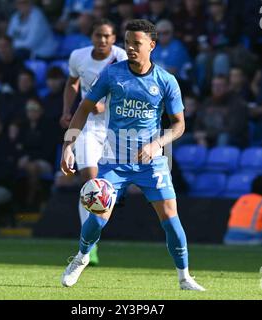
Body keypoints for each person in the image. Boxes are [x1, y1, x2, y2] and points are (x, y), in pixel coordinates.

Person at [60, 19, 205, 291]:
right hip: (114, 158)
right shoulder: (112, 74)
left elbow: (179, 125)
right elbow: (83, 108)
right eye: (127, 43)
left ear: (152, 45)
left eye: (136, 43)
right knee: (99, 216)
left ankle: (184, 276)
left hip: (152, 160)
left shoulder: (166, 81)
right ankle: (80, 258)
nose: (130, 48)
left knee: (171, 218)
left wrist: (157, 144)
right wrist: (68, 145)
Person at [59, 19, 127, 266]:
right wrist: (68, 109)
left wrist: (105, 104)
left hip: (113, 127)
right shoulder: (78, 57)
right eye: (98, 35)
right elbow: (72, 82)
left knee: (107, 185)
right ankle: (89, 244)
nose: (102, 40)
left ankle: (92, 234)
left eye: (107, 36)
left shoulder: (121, 58)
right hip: (87, 125)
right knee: (90, 181)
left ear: (114, 38)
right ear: (91, 37)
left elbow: (129, 90)